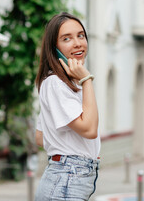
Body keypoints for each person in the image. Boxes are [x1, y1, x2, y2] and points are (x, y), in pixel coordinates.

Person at [34, 12, 100, 200]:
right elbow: (89, 129)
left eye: (81, 35)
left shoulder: (66, 86)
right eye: (67, 38)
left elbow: (40, 137)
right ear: (54, 48)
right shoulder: (55, 83)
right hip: (67, 178)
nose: (78, 43)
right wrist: (87, 79)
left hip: (68, 177)